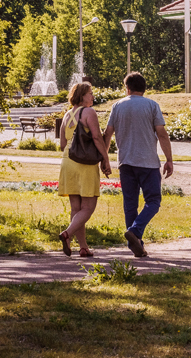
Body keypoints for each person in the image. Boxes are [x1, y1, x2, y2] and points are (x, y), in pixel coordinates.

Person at [103, 72, 173, 257]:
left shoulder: (117, 106)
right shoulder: (152, 105)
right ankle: (135, 232)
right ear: (144, 88)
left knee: (130, 205)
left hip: (125, 162)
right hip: (148, 162)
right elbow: (162, 134)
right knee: (153, 201)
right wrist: (169, 159)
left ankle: (136, 245)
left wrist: (105, 159)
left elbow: (108, 133)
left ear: (127, 88)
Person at [57, 82, 112, 257]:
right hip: (84, 163)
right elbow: (96, 137)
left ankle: (83, 247)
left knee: (76, 208)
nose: (93, 96)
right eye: (90, 93)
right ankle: (67, 234)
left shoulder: (67, 115)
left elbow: (62, 144)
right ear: (82, 96)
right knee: (88, 207)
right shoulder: (89, 112)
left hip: (67, 161)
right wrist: (105, 158)